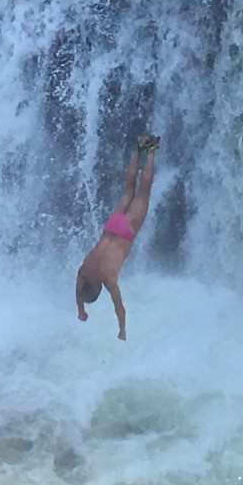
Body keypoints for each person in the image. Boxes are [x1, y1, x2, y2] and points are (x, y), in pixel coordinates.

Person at [76, 134, 158, 339]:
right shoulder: (83, 271)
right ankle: (139, 150)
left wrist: (122, 330)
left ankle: (151, 151)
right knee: (129, 188)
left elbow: (119, 308)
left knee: (144, 191)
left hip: (126, 231)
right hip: (112, 225)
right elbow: (78, 290)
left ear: (98, 287)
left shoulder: (107, 278)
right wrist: (80, 310)